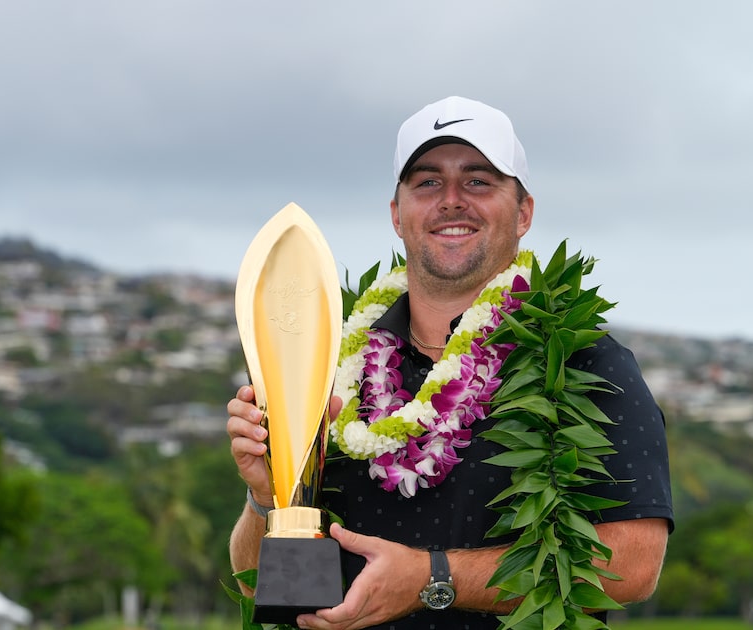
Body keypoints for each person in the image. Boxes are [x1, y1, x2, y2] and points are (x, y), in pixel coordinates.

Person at [227, 96, 674, 630]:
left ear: (524, 211)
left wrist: (431, 578)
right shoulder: (329, 366)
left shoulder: (585, 362)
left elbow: (634, 566)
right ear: (397, 213)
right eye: (428, 182)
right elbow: (262, 581)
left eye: (479, 181)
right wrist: (266, 496)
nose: (452, 200)